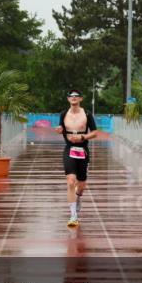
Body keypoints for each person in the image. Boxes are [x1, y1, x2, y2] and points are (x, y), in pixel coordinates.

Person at [54, 89, 98, 227]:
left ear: (80, 99)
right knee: (71, 181)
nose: (73, 98)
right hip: (69, 149)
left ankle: (78, 198)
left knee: (81, 185)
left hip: (83, 149)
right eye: (71, 96)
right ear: (68, 99)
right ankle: (73, 216)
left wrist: (83, 136)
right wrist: (59, 129)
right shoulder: (63, 114)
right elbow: (61, 127)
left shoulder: (87, 114)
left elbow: (95, 132)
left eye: (76, 96)